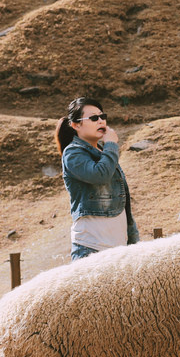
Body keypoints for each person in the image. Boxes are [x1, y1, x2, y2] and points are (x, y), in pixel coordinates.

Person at [55, 97, 139, 261]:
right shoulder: (73, 153)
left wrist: (133, 241)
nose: (101, 121)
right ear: (76, 125)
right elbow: (99, 175)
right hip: (92, 249)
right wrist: (111, 145)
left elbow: (124, 205)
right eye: (94, 118)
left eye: (102, 116)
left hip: (119, 250)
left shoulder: (104, 154)